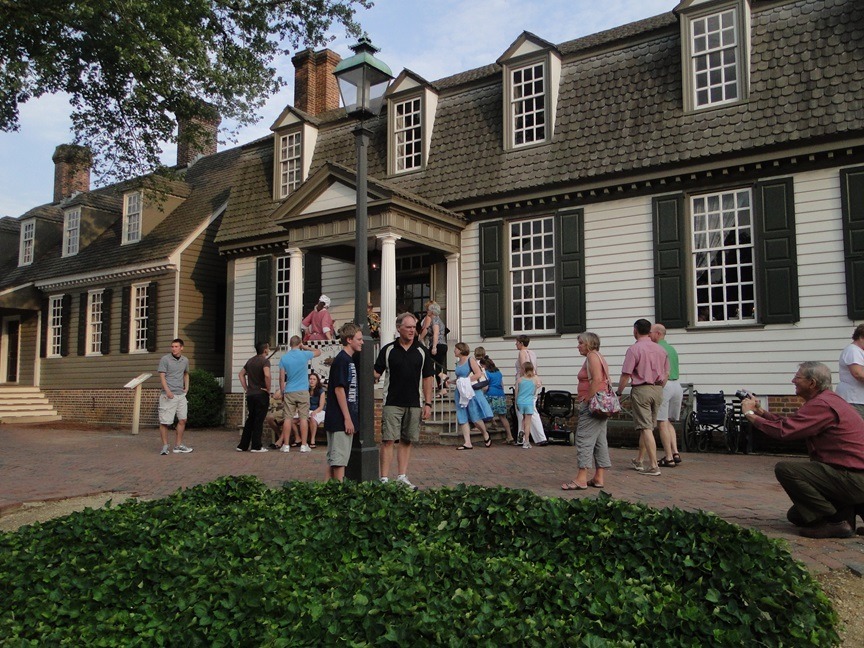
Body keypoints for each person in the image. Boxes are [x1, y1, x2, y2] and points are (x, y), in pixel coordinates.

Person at [741, 362, 864, 539]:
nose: (793, 381)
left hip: (854, 478)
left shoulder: (821, 404)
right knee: (797, 515)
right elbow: (792, 424)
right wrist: (761, 412)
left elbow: (784, 431)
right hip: (850, 475)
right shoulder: (827, 400)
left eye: (797, 378)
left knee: (787, 470)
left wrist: (749, 415)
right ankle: (847, 514)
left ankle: (836, 522)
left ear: (812, 383)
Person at [374, 312, 435, 489]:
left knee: (407, 440)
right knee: (388, 440)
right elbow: (376, 373)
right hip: (392, 401)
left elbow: (428, 378)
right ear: (399, 328)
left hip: (414, 402)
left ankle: (402, 476)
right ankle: (384, 479)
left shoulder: (422, 351)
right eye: (408, 327)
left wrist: (428, 403)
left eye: (414, 327)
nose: (412, 330)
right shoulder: (388, 350)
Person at [616, 319, 669, 476]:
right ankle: (639, 460)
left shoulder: (634, 349)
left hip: (642, 389)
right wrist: (659, 388)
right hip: (658, 389)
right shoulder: (661, 350)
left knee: (645, 428)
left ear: (635, 330)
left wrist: (619, 392)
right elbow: (666, 374)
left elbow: (626, 374)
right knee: (648, 427)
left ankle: (653, 465)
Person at [562, 332, 612, 490]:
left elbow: (597, 380)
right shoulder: (599, 356)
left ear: (589, 344)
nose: (578, 346)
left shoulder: (591, 357)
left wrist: (587, 400)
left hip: (593, 405)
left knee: (583, 438)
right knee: (599, 441)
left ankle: (581, 478)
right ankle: (599, 477)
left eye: (581, 343)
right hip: (601, 406)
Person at [323, 323, 363, 482]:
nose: (362, 342)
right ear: (349, 340)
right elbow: (339, 390)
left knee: (335, 457)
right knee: (339, 459)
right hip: (339, 418)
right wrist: (347, 418)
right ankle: (338, 493)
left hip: (342, 417)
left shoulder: (348, 360)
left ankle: (325, 489)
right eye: (359, 339)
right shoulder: (342, 360)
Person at [278, 335, 321, 453]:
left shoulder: (284, 358)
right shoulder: (304, 354)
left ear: (290, 344)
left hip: (289, 390)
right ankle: (303, 445)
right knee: (303, 418)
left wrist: (282, 392)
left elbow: (281, 378)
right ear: (299, 343)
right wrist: (305, 347)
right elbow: (318, 352)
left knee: (287, 418)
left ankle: (286, 445)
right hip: (302, 390)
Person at [651, 323, 683, 467]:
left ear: (658, 333)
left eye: (651, 332)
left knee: (661, 422)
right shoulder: (672, 349)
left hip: (666, 385)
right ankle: (675, 452)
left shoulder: (658, 348)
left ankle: (668, 457)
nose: (649, 335)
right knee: (668, 421)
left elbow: (659, 370)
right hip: (677, 385)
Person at [452, 342, 493, 450]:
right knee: (462, 415)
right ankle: (467, 442)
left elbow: (478, 374)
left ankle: (485, 433)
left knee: (475, 416)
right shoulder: (458, 362)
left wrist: (464, 381)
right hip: (460, 391)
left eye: (456, 349)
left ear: (461, 350)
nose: (454, 351)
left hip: (471, 391)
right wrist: (451, 381)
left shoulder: (470, 360)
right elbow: (460, 378)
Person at [157, 338, 192, 455]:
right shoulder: (165, 359)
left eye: (176, 347)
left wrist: (186, 387)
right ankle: (165, 446)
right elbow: (162, 376)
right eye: (172, 346)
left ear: (181, 347)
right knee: (165, 422)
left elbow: (186, 374)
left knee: (183, 419)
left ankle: (178, 445)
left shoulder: (185, 360)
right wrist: (167, 391)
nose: (174, 349)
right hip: (168, 395)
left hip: (180, 395)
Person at [237, 342, 271, 453]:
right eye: (268, 348)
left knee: (250, 419)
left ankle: (243, 445)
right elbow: (267, 374)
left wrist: (246, 388)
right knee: (258, 420)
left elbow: (241, 374)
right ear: (265, 350)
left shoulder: (250, 361)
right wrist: (268, 388)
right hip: (261, 394)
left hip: (251, 394)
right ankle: (256, 446)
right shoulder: (265, 361)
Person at [513, 335, 548, 446]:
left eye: (517, 342)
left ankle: (523, 438)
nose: (516, 344)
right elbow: (535, 368)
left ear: (521, 343)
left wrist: (523, 381)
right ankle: (537, 437)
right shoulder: (532, 353)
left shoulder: (522, 353)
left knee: (522, 412)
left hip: (525, 383)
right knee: (532, 410)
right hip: (533, 381)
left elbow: (524, 368)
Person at [479, 355, 514, 444]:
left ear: (484, 365)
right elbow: (502, 385)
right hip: (500, 395)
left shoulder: (486, 373)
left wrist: (481, 391)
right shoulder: (498, 372)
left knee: (485, 411)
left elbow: (486, 387)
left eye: (481, 366)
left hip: (490, 394)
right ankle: (509, 436)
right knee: (502, 416)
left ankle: (486, 427)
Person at [418, 300, 449, 396]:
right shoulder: (439, 319)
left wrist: (434, 347)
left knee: (428, 364)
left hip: (438, 345)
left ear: (432, 311)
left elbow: (435, 333)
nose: (427, 312)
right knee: (438, 366)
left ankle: (441, 375)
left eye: (428, 310)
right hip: (443, 345)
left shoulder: (435, 319)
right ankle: (442, 389)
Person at [838, 323, 864, 419]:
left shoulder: (859, 351)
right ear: (861, 337)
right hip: (854, 399)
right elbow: (858, 374)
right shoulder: (853, 351)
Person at [516, 362, 542, 449]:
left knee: (523, 419)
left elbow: (517, 392)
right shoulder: (534, 380)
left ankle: (521, 431)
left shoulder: (519, 380)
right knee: (528, 423)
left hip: (520, 402)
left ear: (524, 370)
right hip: (529, 402)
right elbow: (535, 392)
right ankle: (526, 442)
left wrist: (516, 402)